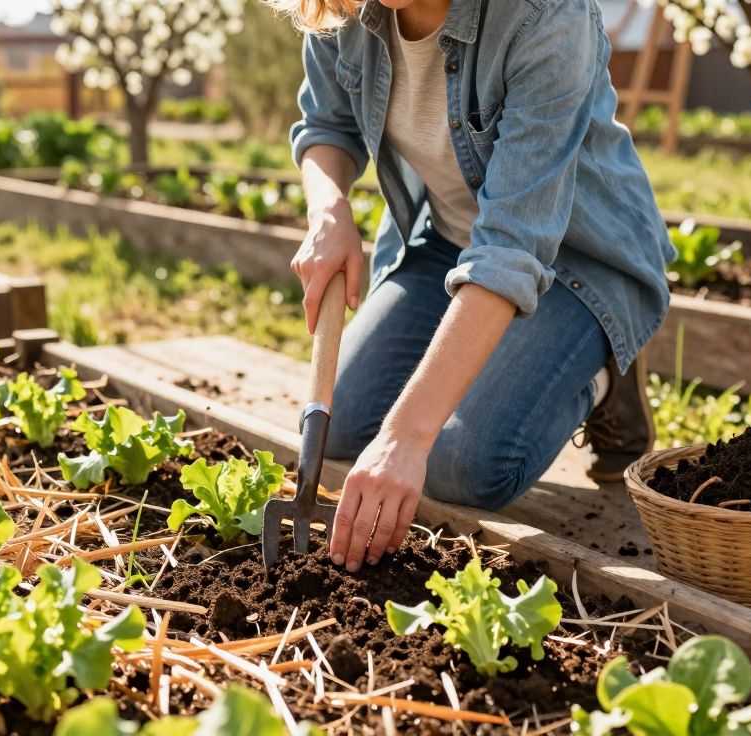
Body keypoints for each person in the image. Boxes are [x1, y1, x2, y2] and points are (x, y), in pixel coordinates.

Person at [274, 0, 675, 572]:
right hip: (445, 244)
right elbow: (327, 126)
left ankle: (606, 374)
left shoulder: (546, 15)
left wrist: (407, 437)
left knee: (461, 463)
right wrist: (329, 210)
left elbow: (512, 246)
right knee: (341, 429)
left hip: (577, 261)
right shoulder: (344, 8)